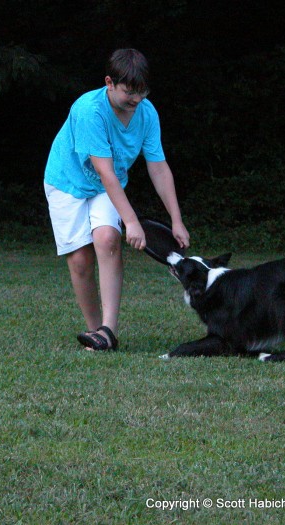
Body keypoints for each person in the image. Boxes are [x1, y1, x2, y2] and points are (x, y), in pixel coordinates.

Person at [44, 48, 189, 351]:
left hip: (105, 186)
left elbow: (158, 167)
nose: (137, 99)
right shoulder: (89, 111)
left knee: (108, 238)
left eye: (142, 91)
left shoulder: (147, 113)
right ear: (109, 82)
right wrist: (132, 222)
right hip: (66, 183)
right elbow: (105, 172)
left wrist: (176, 219)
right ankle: (95, 331)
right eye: (129, 92)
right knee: (81, 259)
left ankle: (108, 330)